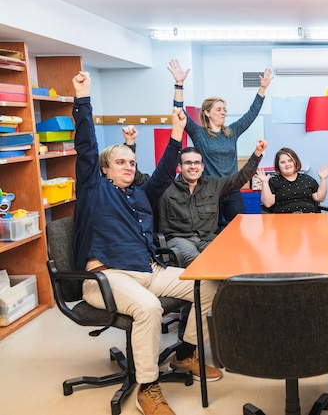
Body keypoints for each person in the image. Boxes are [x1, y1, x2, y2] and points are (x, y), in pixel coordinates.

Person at [72, 71, 223, 415]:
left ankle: (185, 356)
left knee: (210, 285)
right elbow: (85, 149)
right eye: (120, 162)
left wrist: (176, 133)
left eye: (132, 162)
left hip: (148, 270)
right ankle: (147, 387)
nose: (128, 166)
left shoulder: (141, 195)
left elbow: (166, 172)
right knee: (150, 308)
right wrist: (83, 100)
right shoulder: (94, 191)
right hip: (106, 278)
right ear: (105, 170)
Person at [168, 59, 273, 223]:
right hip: (209, 191)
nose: (223, 112)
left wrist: (262, 88)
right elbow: (178, 111)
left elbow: (251, 114)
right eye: (218, 109)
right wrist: (179, 84)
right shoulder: (198, 133)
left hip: (232, 190)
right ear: (207, 113)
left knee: (241, 229)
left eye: (224, 109)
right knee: (210, 232)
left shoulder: (232, 132)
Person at [157, 142, 267, 266]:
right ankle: (205, 285)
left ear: (202, 167)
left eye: (197, 163)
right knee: (196, 260)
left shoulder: (212, 185)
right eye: (188, 163)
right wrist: (130, 143)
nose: (193, 166)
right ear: (179, 167)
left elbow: (239, 179)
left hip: (207, 239)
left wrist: (257, 154)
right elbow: (140, 180)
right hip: (179, 239)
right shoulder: (164, 187)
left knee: (232, 257)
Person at [255, 147, 328, 213]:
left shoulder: (308, 179)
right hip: (283, 222)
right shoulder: (273, 181)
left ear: (295, 162)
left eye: (290, 160)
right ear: (278, 165)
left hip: (309, 220)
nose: (287, 164)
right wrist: (265, 182)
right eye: (283, 162)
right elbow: (268, 203)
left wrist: (323, 179)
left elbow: (320, 198)